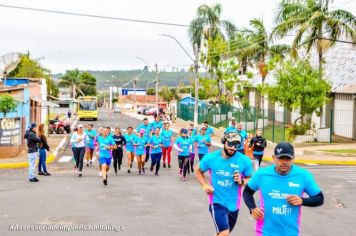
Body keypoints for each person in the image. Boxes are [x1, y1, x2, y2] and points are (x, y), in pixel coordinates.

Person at [243, 142, 324, 236]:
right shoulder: (262, 174)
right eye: (281, 158)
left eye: (288, 158)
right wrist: (252, 208)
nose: (284, 162)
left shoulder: (303, 176)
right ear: (274, 158)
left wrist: (302, 200)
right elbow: (247, 192)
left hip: (290, 232)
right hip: (264, 232)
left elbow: (319, 198)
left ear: (293, 159)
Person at [195, 131, 253, 236]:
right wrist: (205, 185)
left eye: (236, 145)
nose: (233, 147)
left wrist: (242, 181)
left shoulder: (245, 161)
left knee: (223, 233)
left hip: (234, 205)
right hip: (216, 202)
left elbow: (250, 179)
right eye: (230, 143)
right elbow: (198, 170)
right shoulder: (211, 158)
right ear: (224, 142)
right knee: (224, 233)